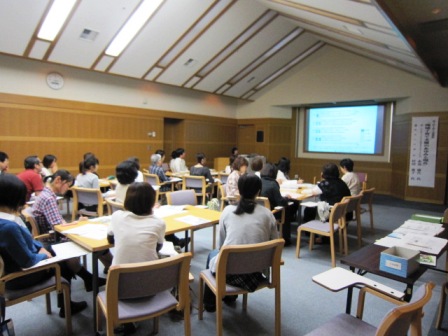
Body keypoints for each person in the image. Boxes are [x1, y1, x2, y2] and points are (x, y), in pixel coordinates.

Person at [0, 174, 87, 317]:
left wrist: (39, 247)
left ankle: (80, 287)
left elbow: (26, 238)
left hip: (13, 267)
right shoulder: (8, 227)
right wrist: (42, 254)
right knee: (64, 261)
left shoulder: (6, 220)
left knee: (58, 250)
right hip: (18, 278)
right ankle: (67, 305)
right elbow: (28, 261)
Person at [203, 174, 279, 312]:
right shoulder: (268, 214)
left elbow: (222, 246)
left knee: (212, 254)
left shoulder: (227, 211)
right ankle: (229, 297)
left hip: (229, 270)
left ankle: (210, 304)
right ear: (259, 191)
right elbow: (275, 243)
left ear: (239, 190)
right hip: (256, 272)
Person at [31, 170, 110, 291]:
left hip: (48, 237)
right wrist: (77, 224)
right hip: (53, 240)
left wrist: (75, 223)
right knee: (98, 244)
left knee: (96, 240)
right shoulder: (49, 199)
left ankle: (91, 278)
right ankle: (110, 276)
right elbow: (58, 227)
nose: (68, 188)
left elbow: (57, 223)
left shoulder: (45, 194)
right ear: (58, 180)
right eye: (68, 184)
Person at [107, 182, 165, 265]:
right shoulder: (159, 223)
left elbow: (110, 239)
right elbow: (157, 247)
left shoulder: (117, 216)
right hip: (150, 273)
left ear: (127, 199)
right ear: (152, 202)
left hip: (120, 275)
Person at [260, 163, 293, 246]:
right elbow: (280, 202)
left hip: (259, 210)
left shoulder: (258, 181)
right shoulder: (273, 184)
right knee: (287, 209)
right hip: (271, 212)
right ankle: (286, 238)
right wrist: (287, 198)